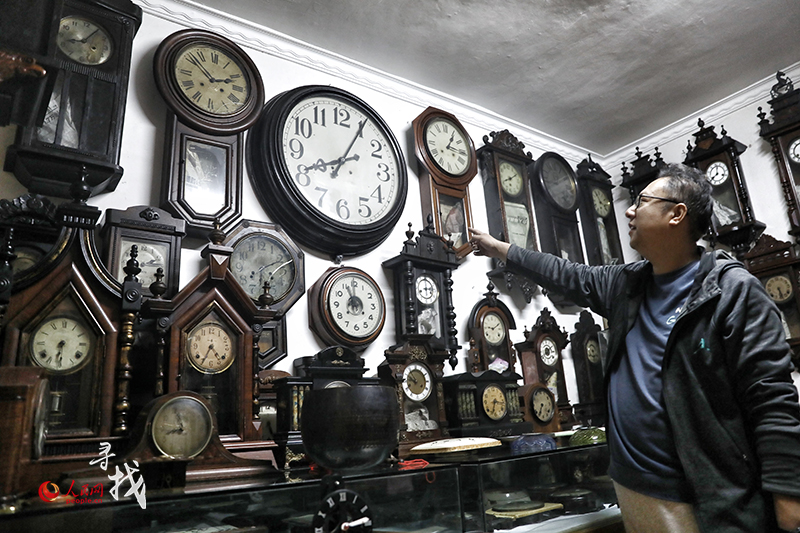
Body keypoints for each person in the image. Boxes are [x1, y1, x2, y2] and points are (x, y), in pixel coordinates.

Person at [469, 163, 800, 533]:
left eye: (642, 201)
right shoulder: (627, 283)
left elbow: (770, 396)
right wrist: (500, 249)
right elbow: (564, 272)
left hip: (702, 495)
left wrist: (788, 495)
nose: (628, 210)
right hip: (632, 486)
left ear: (677, 214)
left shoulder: (732, 290)